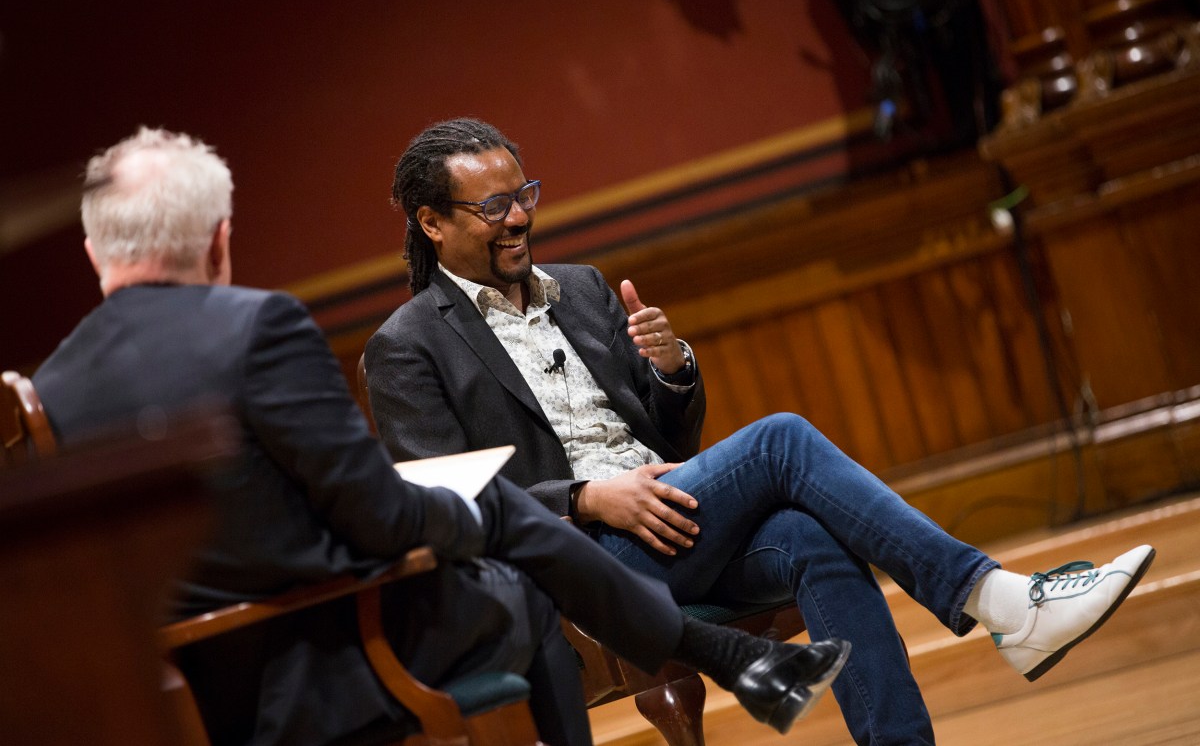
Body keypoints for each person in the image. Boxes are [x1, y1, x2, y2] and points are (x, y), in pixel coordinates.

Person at [31, 128, 851, 746]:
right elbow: (378, 518)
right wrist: (493, 515)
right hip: (338, 648)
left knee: (507, 527)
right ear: (219, 240)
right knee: (514, 575)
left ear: (94, 249)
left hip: (178, 692)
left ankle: (731, 658)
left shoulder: (50, 389)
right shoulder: (260, 324)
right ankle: (731, 658)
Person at [364, 117, 1158, 746]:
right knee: (780, 438)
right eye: (493, 206)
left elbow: (670, 426)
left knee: (810, 532)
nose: (521, 216)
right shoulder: (406, 346)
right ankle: (1002, 602)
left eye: (524, 192)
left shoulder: (581, 288)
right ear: (432, 223)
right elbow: (450, 504)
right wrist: (587, 498)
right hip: (578, 567)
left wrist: (673, 370)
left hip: (675, 522)